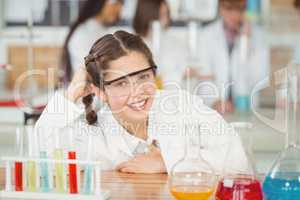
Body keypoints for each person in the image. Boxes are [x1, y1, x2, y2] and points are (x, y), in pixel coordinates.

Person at [35, 31, 249, 174]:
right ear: (101, 92)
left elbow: (238, 160)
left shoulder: (182, 106)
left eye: (143, 77)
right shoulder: (95, 133)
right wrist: (72, 92)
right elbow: (44, 160)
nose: (137, 92)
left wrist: (167, 162)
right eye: (120, 84)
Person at [188, 0, 269, 114]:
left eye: (239, 10)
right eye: (229, 9)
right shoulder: (206, 35)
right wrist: (214, 101)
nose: (234, 15)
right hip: (214, 110)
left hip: (248, 109)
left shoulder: (257, 36)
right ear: (220, 9)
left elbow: (260, 77)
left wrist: (245, 43)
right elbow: (204, 76)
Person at [60, 0, 123, 84]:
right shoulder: (83, 34)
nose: (119, 9)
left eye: (121, 4)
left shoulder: (104, 31)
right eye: (114, 3)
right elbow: (95, 70)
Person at [133, 0, 187, 89]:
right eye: (160, 15)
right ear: (146, 15)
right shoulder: (130, 46)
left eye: (166, 14)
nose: (165, 20)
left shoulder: (176, 44)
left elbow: (185, 74)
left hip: (170, 98)